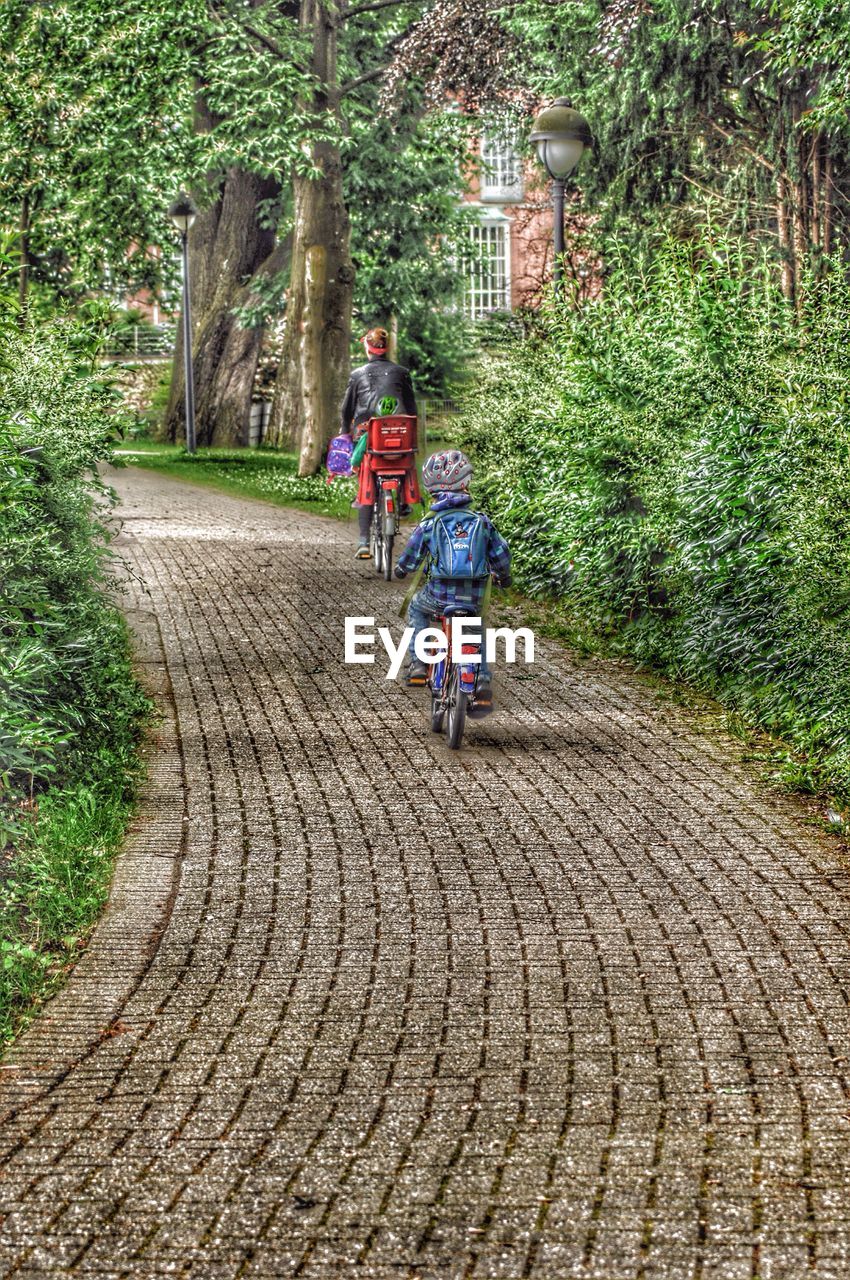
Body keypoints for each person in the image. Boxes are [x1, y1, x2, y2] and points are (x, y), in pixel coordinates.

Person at [393, 450, 511, 717]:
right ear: (466, 485)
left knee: (416, 608)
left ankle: (420, 664)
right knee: (474, 629)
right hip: (472, 596)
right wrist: (504, 576)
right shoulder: (482, 522)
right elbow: (501, 554)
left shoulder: (430, 523)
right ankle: (480, 681)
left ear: (431, 489)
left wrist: (402, 570)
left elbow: (412, 555)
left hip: (438, 594)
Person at [341, 326, 418, 559]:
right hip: (400, 439)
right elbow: (412, 408)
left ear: (368, 348)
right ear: (386, 348)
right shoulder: (402, 373)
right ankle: (404, 502)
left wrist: (345, 432)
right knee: (404, 459)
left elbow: (346, 410)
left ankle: (363, 542)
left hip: (370, 440)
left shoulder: (358, 375)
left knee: (367, 477)